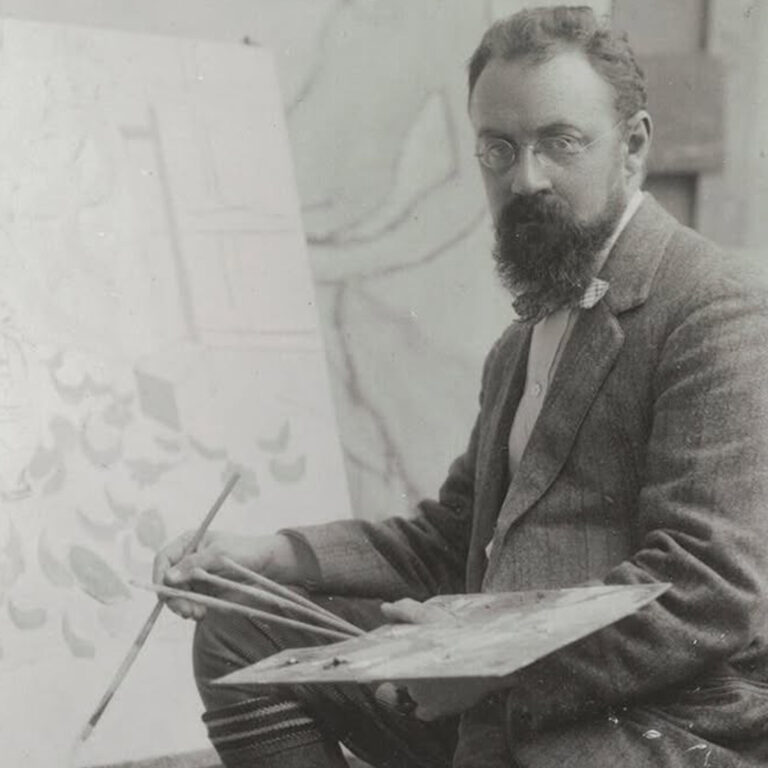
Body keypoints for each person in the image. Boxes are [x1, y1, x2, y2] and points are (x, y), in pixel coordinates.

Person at [154, 6, 768, 767]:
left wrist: (486, 668)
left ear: (633, 145)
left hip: (659, 723)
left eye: (560, 143)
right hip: (499, 702)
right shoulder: (521, 343)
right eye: (498, 149)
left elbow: (706, 590)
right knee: (241, 632)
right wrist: (267, 557)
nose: (525, 179)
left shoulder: (715, 307)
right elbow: (455, 541)